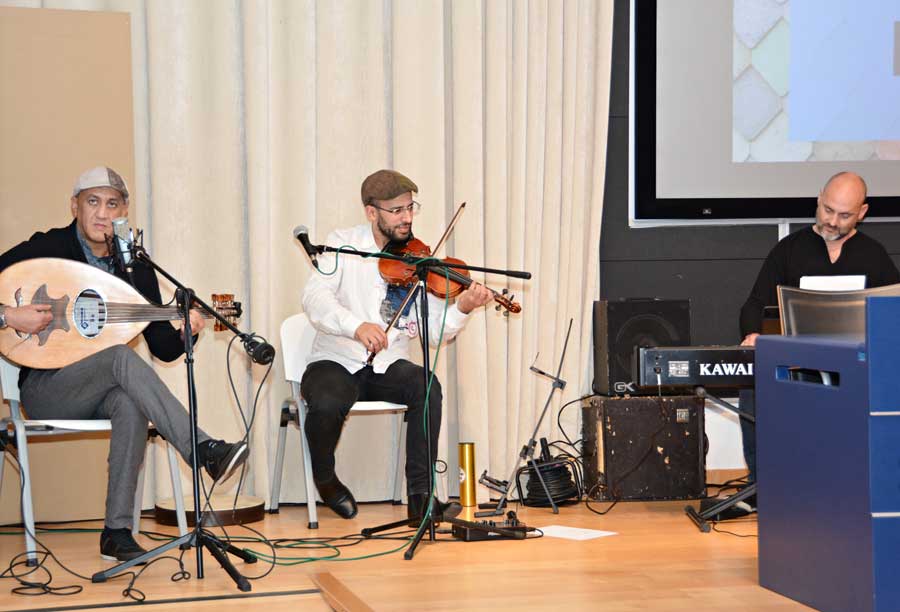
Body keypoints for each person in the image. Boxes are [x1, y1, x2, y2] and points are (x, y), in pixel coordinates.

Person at [0, 167, 249, 561]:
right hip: (46, 389)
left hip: (98, 390)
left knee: (130, 402)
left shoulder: (135, 267)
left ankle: (116, 531)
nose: (102, 213)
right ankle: (202, 448)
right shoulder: (47, 249)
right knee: (120, 357)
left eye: (112, 203)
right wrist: (8, 317)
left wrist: (188, 331)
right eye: (92, 202)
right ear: (75, 206)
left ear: (124, 210)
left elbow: (163, 349)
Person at [301, 169, 493, 522]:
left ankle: (421, 496)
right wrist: (355, 326)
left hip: (386, 366)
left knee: (426, 386)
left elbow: (434, 332)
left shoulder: (420, 260)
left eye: (410, 208)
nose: (407, 218)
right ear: (372, 212)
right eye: (396, 210)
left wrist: (461, 309)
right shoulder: (342, 245)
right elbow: (315, 299)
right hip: (336, 359)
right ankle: (325, 480)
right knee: (327, 401)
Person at [736, 171, 899, 507]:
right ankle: (762, 488)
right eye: (827, 210)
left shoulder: (874, 254)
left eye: (844, 215)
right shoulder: (789, 250)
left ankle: (864, 487)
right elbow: (754, 304)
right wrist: (753, 334)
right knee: (753, 387)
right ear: (818, 200)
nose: (831, 221)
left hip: (858, 364)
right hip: (798, 363)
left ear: (862, 213)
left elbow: (892, 308)